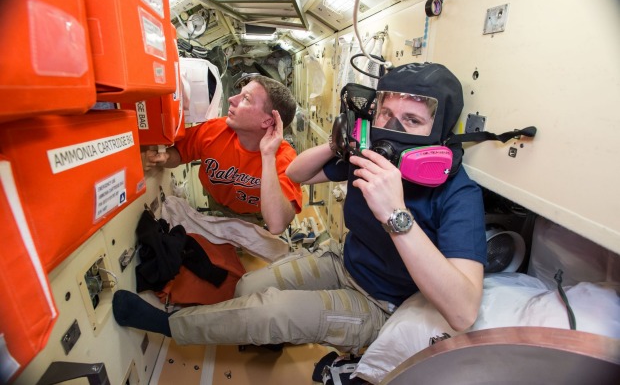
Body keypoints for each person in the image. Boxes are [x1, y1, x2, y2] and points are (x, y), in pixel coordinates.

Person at [112, 62, 487, 355]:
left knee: (271, 313)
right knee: (248, 285)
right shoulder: (369, 156)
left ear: (438, 131)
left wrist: (396, 215)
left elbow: (462, 311)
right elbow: (297, 172)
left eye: (412, 121)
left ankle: (170, 325)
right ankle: (270, 335)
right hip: (342, 263)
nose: (392, 128)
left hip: (381, 302)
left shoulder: (458, 193)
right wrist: (340, 142)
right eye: (386, 114)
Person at [144, 75, 302, 235]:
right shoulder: (215, 130)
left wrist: (268, 156)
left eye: (246, 99)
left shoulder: (284, 158)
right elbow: (179, 153)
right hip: (215, 204)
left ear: (267, 122)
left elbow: (278, 224)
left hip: (252, 217)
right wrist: (165, 157)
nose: (232, 99)